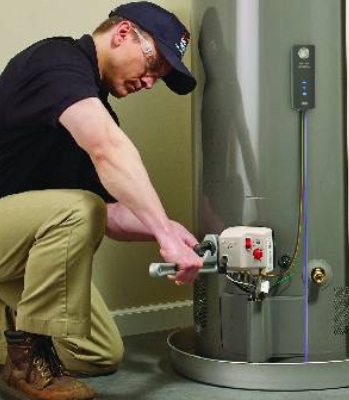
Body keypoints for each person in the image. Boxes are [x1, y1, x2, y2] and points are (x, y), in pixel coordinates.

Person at [0, 2, 203, 399]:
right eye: (153, 65)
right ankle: (28, 362)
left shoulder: (94, 106)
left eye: (160, 77)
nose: (150, 82)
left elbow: (108, 215)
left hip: (17, 245)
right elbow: (106, 150)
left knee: (99, 354)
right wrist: (164, 232)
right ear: (123, 33)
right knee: (78, 210)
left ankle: (14, 329)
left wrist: (167, 231)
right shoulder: (56, 61)